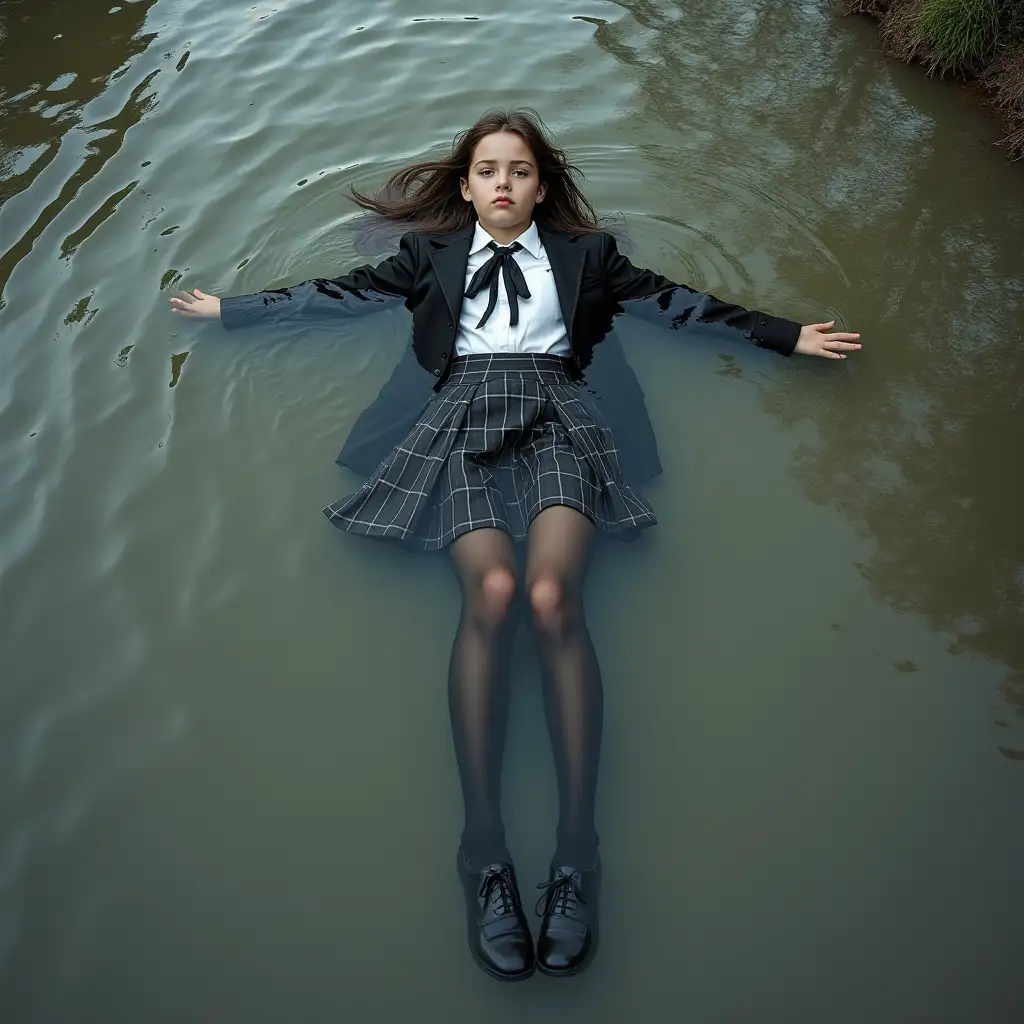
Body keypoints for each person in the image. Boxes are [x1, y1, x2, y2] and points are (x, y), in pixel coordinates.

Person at [170, 108, 861, 982]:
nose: (504, 183)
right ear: (465, 188)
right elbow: (338, 295)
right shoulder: (427, 258)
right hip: (456, 416)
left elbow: (677, 303)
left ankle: (578, 856)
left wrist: (784, 334)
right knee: (491, 594)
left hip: (561, 417)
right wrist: (230, 309)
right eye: (488, 170)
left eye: (521, 170)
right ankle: (485, 853)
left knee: (546, 597)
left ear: (542, 186)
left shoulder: (587, 259)